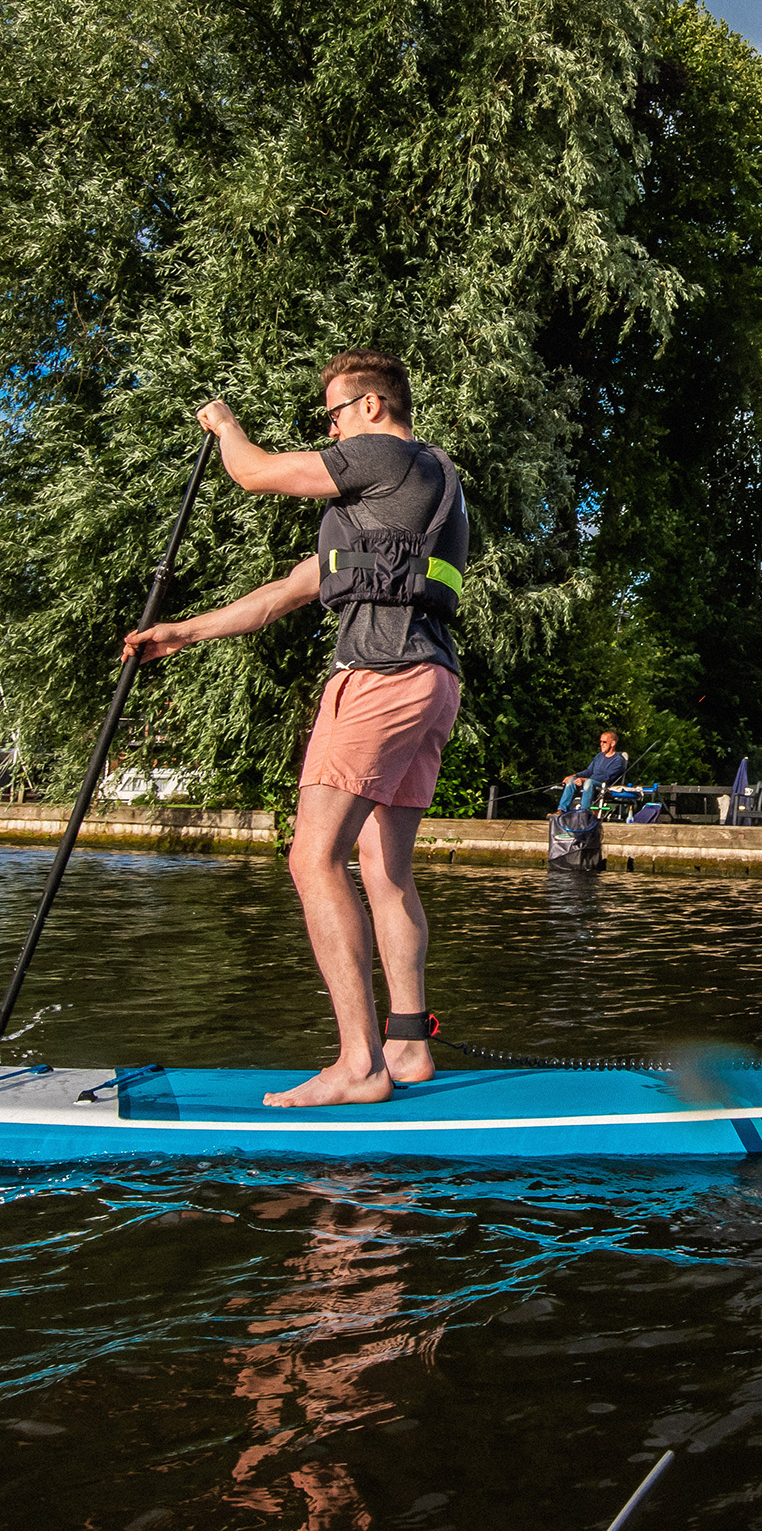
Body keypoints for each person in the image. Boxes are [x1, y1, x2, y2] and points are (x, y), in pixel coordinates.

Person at [124, 349, 468, 1109]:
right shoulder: (412, 496)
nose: (332, 432)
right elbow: (286, 592)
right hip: (431, 681)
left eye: (334, 416)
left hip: (376, 679)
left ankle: (359, 1065)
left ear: (372, 406)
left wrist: (223, 425)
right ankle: (407, 1048)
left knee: (313, 859)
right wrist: (186, 631)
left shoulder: (383, 453)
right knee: (384, 869)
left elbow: (250, 471)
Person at [558, 729, 627, 812]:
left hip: (605, 785)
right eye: (600, 742)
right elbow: (589, 771)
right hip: (590, 781)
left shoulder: (618, 760)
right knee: (572, 780)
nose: (601, 744)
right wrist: (575, 775)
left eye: (604, 742)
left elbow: (607, 777)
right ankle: (561, 810)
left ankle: (584, 812)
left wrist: (585, 780)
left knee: (588, 782)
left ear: (613, 743)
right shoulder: (599, 756)